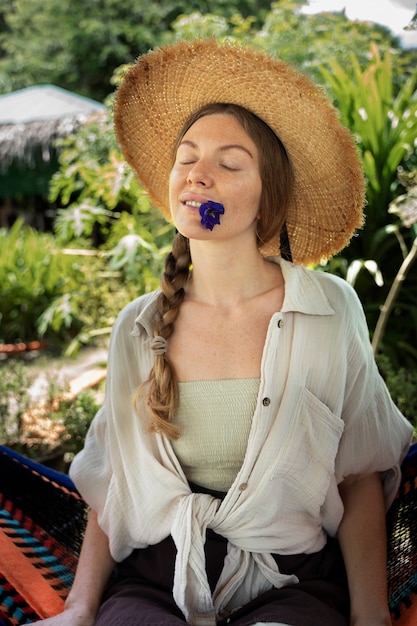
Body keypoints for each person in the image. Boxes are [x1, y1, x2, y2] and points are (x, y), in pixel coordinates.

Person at [31, 39, 412, 626]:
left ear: (268, 197)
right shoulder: (138, 326)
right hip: (156, 579)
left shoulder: (326, 309)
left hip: (293, 579)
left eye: (230, 163)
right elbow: (114, 487)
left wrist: (371, 615)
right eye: (187, 157)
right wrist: (80, 609)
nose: (198, 174)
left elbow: (360, 473)